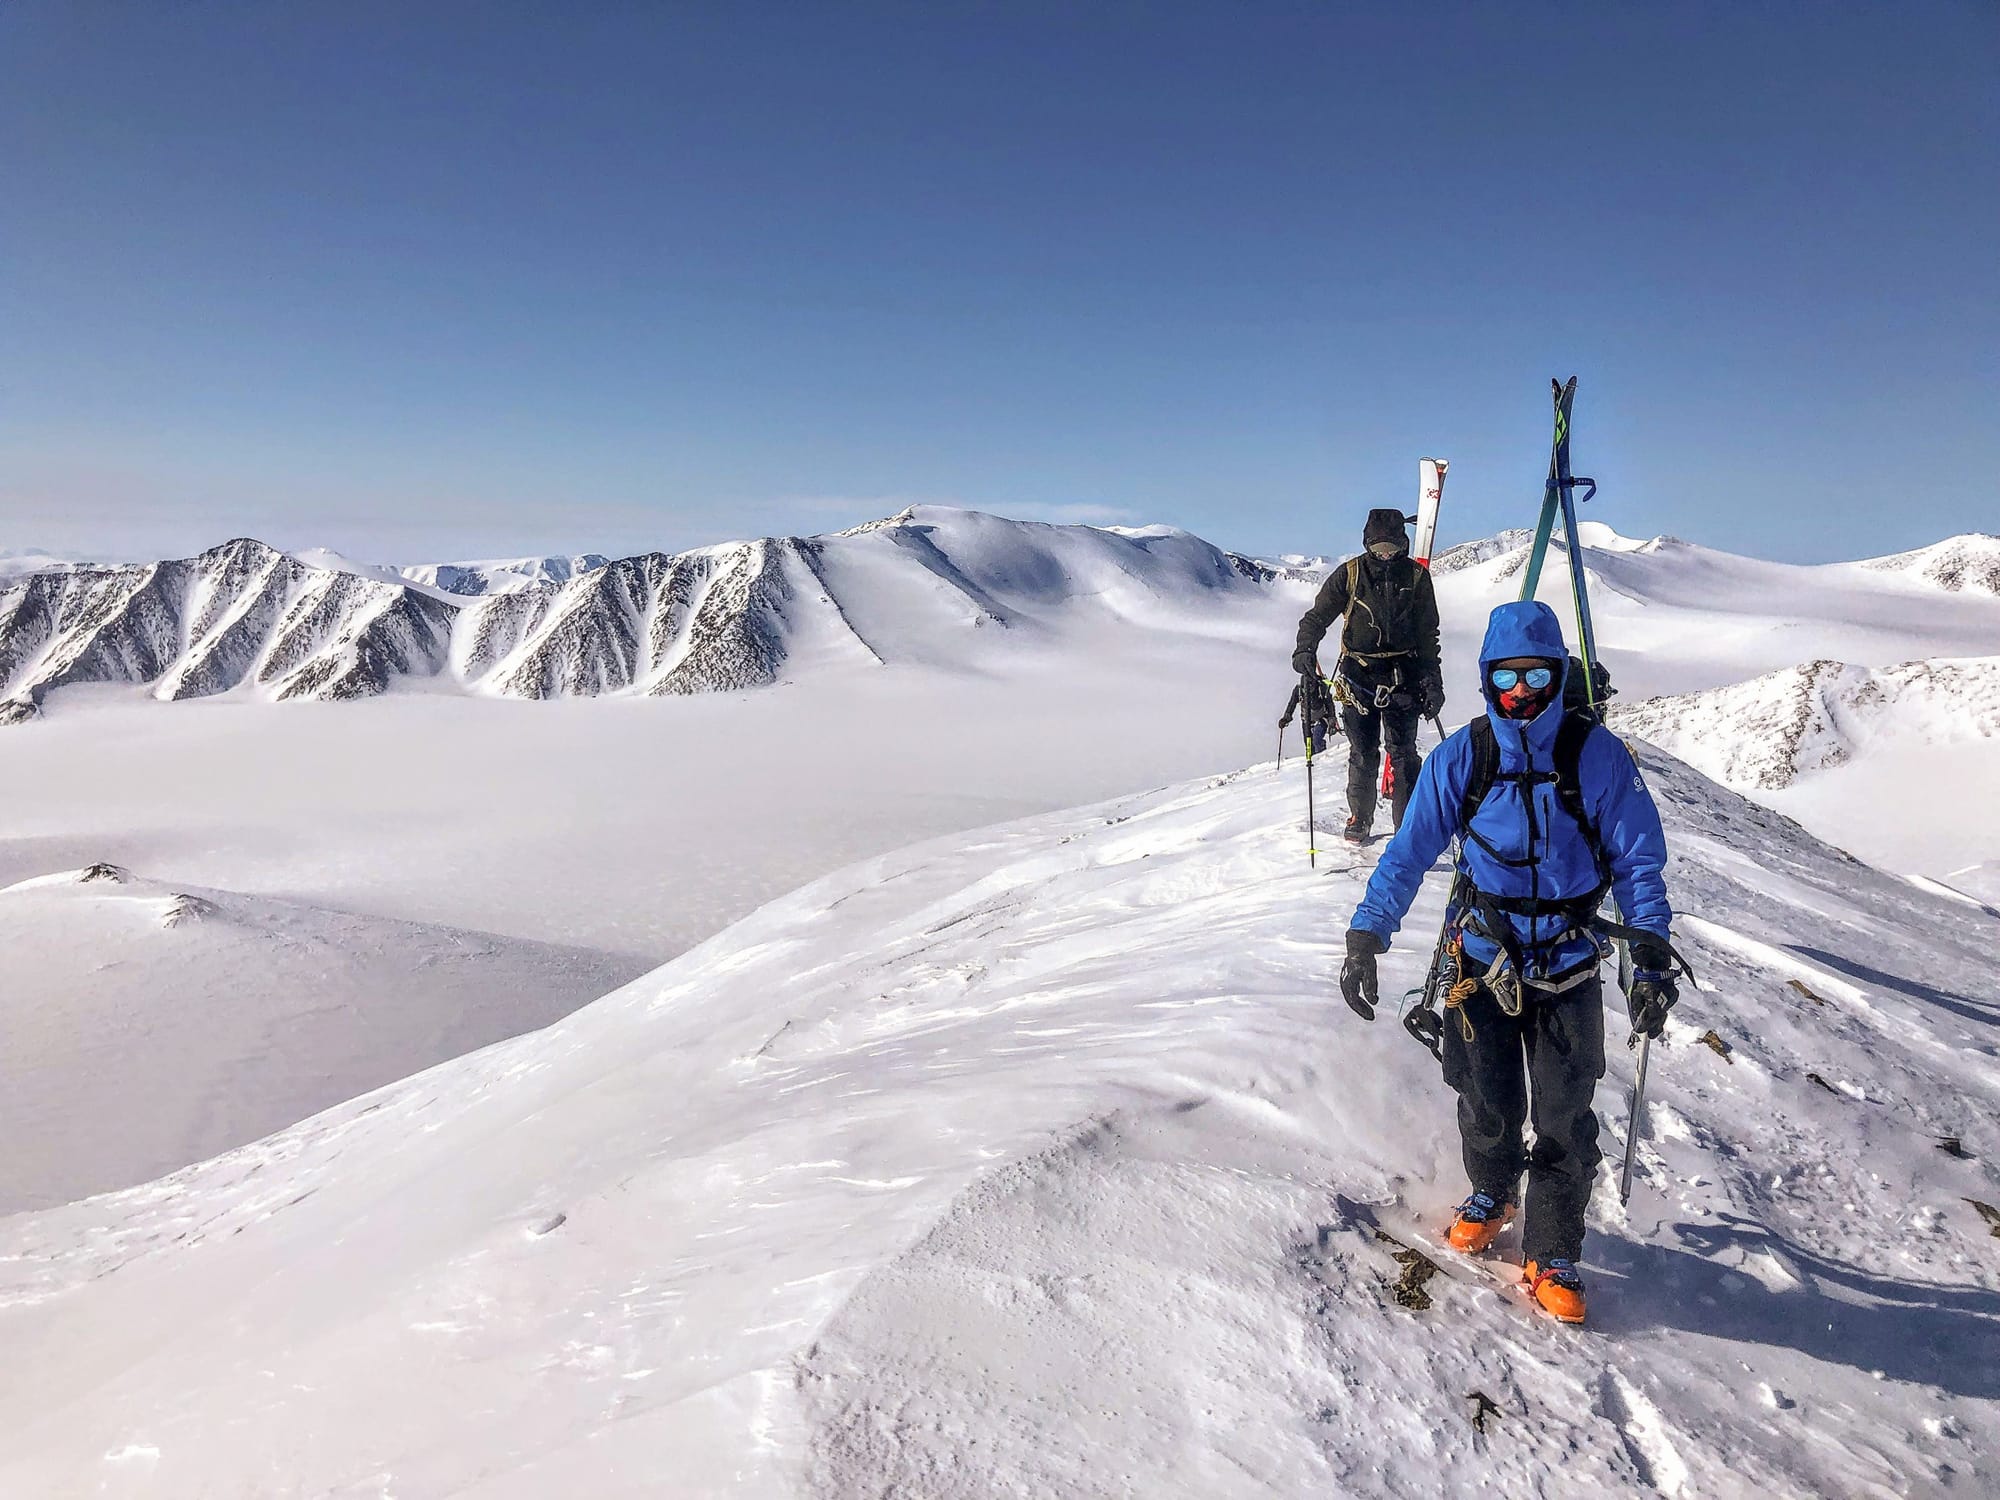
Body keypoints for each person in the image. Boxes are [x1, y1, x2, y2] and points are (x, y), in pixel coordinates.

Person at [1335, 599, 1679, 1325]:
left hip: (1568, 964)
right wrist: (1367, 935)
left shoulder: (1596, 756)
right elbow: (1408, 854)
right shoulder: (1465, 757)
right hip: (1482, 962)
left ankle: (1553, 1251)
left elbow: (1638, 862)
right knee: (1485, 1097)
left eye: (1537, 675)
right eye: (1506, 676)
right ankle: (1492, 1191)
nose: (1521, 690)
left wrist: (1648, 957)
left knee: (1564, 1115)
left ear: (1559, 674)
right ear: (1487, 677)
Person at [1291, 508, 1442, 842]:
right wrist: (1305, 650)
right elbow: (1316, 618)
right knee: (1363, 752)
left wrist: (1433, 683)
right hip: (1358, 678)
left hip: (1404, 677)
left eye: (1391, 549)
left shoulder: (1417, 577)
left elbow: (1428, 635)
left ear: (1403, 544)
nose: (1385, 555)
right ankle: (1360, 817)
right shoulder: (1350, 574)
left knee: (1404, 754)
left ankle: (1406, 827)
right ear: (1367, 545)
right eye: (1378, 549)